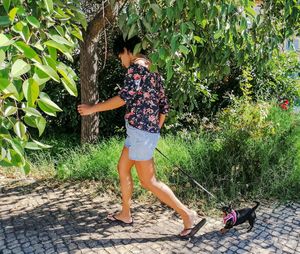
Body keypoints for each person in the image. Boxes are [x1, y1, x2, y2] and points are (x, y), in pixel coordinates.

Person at [77, 35, 205, 237]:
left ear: (127, 51)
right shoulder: (152, 68)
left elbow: (123, 98)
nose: (122, 62)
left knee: (148, 181)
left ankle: (188, 214)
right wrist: (154, 129)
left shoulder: (136, 67)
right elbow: (164, 105)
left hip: (140, 132)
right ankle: (125, 213)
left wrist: (93, 109)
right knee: (123, 167)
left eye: (120, 57)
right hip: (140, 132)